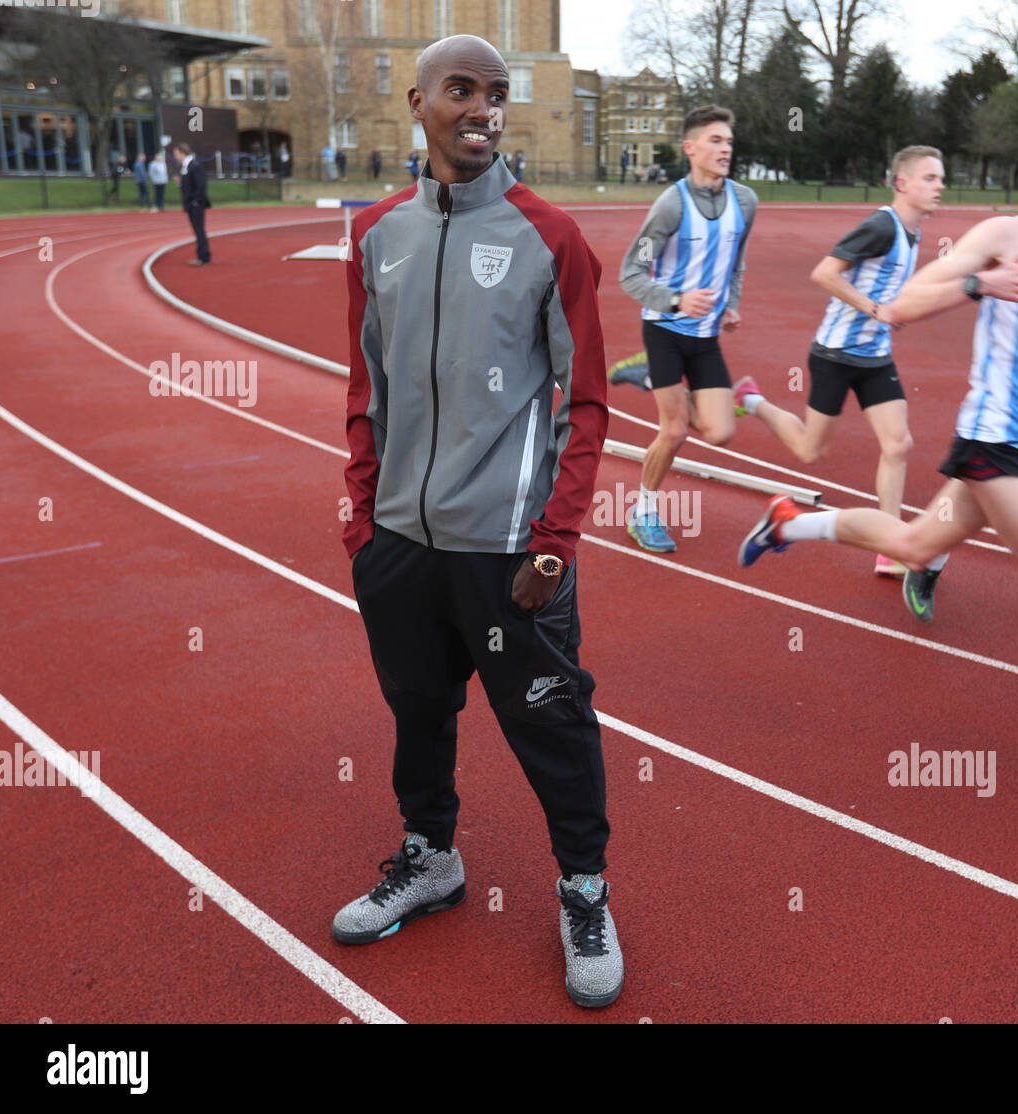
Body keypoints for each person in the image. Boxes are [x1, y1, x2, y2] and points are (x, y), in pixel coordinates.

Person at [739, 97, 1018, 811]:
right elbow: (904, 304)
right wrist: (981, 283)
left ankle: (788, 520)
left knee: (916, 544)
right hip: (991, 441)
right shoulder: (1013, 233)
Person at [336, 34, 623, 1008]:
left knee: (551, 721)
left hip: (506, 552)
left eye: (496, 94)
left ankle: (584, 887)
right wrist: (361, 524)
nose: (482, 109)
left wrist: (556, 540)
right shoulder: (376, 234)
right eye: (461, 90)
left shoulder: (552, 239)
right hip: (398, 547)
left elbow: (588, 404)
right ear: (418, 102)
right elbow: (363, 387)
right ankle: (430, 857)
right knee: (419, 714)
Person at [732, 145, 945, 578]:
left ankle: (891, 547)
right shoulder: (881, 226)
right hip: (835, 354)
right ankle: (753, 401)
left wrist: (896, 309)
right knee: (812, 450)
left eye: (941, 178)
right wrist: (873, 308)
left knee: (898, 444)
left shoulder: (914, 229)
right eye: (930, 178)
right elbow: (825, 273)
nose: (939, 186)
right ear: (902, 183)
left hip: (876, 357)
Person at [615, 105, 758, 553]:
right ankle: (643, 510)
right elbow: (630, 274)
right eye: (715, 141)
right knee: (673, 431)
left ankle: (648, 379)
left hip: (706, 336)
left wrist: (730, 306)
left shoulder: (746, 202)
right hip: (665, 328)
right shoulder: (670, 204)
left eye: (729, 142)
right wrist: (678, 300)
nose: (725, 149)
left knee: (720, 432)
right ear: (690, 148)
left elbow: (736, 264)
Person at [173, 142, 212, 265]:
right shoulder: (187, 167)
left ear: (182, 153)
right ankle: (202, 255)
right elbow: (190, 186)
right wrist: (181, 183)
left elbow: (201, 185)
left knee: (199, 230)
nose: (176, 157)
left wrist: (196, 201)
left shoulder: (194, 166)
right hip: (191, 204)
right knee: (197, 230)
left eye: (177, 154)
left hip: (196, 204)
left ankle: (204, 256)